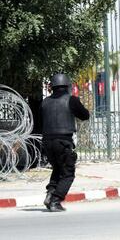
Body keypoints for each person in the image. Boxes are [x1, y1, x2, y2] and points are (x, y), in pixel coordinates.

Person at [41, 73, 90, 211]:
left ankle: (50, 193)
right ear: (67, 86)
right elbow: (85, 115)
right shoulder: (71, 100)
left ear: (53, 87)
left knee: (57, 168)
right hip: (63, 141)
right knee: (68, 173)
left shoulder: (45, 102)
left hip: (47, 141)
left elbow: (40, 121)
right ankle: (56, 200)